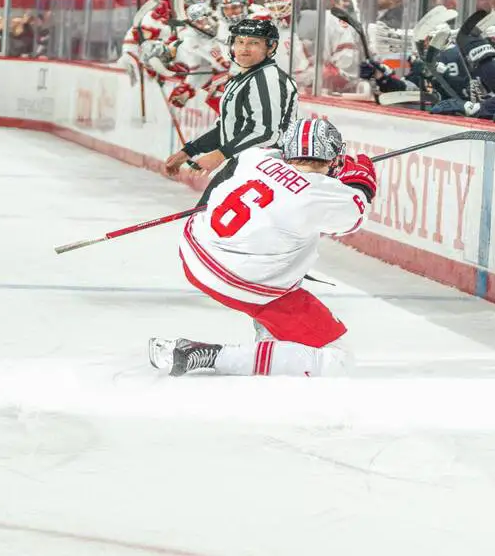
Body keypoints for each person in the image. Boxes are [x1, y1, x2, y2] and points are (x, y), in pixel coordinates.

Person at [148, 118, 378, 377]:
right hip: (245, 283)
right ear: (334, 158)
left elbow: (282, 163)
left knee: (277, 238)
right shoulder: (317, 196)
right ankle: (213, 355)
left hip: (195, 251)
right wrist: (360, 183)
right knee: (338, 361)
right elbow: (355, 214)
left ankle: (269, 333)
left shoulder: (254, 158)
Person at [164, 18, 298, 191]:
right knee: (206, 215)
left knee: (209, 215)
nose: (244, 48)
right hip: (245, 164)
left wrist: (219, 155)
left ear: (270, 47)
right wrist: (189, 151)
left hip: (266, 173)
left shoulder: (267, 78)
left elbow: (265, 133)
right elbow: (229, 128)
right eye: (239, 41)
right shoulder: (243, 77)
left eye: (254, 43)